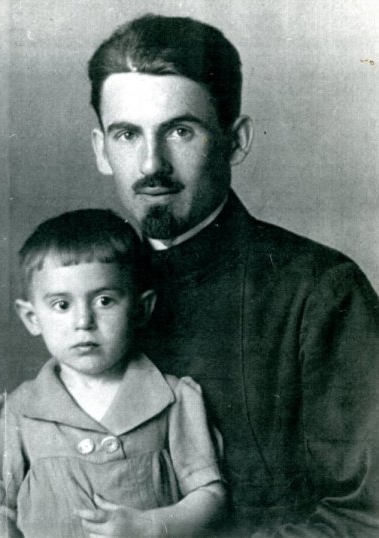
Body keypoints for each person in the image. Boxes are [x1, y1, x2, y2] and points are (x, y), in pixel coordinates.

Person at [88, 14, 379, 536]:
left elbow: (367, 517)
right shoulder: (86, 291)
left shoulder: (321, 292)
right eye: (127, 134)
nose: (151, 164)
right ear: (100, 150)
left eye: (180, 131)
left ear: (236, 140)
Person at [0, 209, 226, 537]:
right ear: (32, 318)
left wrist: (149, 526)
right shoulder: (17, 411)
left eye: (105, 301)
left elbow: (210, 497)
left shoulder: (174, 399)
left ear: (141, 309)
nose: (84, 321)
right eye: (62, 305)